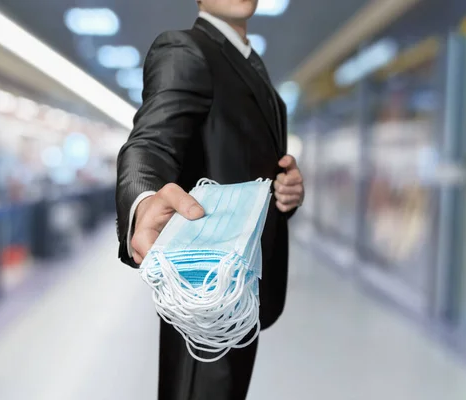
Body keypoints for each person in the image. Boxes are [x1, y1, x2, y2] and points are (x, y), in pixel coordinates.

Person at [114, 1, 305, 399]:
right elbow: (149, 143)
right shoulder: (185, 49)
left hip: (241, 290)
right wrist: (143, 200)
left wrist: (285, 191)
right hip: (205, 294)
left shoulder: (249, 64)